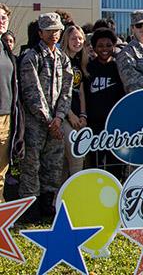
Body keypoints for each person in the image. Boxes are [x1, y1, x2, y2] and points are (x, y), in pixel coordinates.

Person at [19, 12, 73, 221]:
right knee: (31, 165)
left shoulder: (62, 58)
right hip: (36, 122)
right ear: (40, 32)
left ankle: (47, 206)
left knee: (53, 164)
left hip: (56, 123)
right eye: (49, 30)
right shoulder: (31, 57)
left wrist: (59, 118)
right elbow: (32, 92)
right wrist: (48, 120)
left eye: (57, 30)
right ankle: (29, 210)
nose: (53, 34)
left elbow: (67, 91)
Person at [84, 28, 126, 179]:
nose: (104, 49)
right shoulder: (88, 67)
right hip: (95, 125)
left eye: (108, 45)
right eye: (100, 45)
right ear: (94, 47)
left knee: (116, 165)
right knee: (97, 165)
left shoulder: (118, 68)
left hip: (116, 125)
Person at [0, 4, 24, 204]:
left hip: (6, 116)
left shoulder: (5, 49)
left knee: (1, 170)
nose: (2, 21)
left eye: (4, 18)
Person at [59, 25, 88, 179]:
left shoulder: (80, 62)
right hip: (63, 116)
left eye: (80, 38)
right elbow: (58, 92)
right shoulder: (60, 60)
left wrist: (83, 115)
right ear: (66, 40)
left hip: (79, 116)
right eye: (73, 38)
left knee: (71, 160)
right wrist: (70, 115)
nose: (77, 41)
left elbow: (81, 91)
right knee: (75, 158)